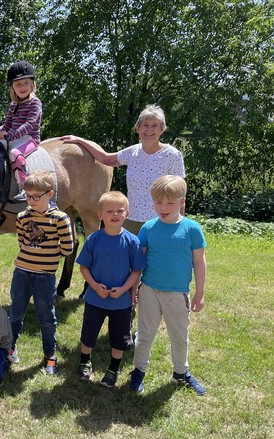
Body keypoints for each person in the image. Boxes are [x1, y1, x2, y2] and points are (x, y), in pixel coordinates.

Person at [128, 175, 207, 395]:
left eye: (170, 203)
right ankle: (138, 371)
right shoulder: (148, 228)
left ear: (182, 201)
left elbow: (199, 262)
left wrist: (200, 293)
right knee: (144, 334)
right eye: (158, 202)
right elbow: (138, 264)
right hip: (149, 291)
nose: (163, 207)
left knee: (179, 336)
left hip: (178, 293)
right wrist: (134, 290)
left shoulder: (192, 229)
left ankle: (181, 372)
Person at [60, 104, 185, 235]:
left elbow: (180, 193)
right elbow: (106, 159)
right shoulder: (132, 152)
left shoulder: (172, 155)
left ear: (162, 129)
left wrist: (179, 224)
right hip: (132, 220)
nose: (149, 129)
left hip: (162, 220)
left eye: (154, 125)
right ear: (138, 128)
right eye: (145, 125)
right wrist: (80, 141)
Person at [75, 191, 146, 387]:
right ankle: (84, 362)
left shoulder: (133, 241)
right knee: (88, 334)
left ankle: (113, 369)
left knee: (118, 339)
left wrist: (125, 289)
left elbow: (136, 271)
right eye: (109, 211)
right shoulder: (94, 239)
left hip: (121, 302)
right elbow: (84, 267)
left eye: (120, 210)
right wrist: (95, 286)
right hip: (95, 299)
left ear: (127, 213)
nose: (115, 214)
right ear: (100, 215)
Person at [8, 170, 74, 374]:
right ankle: (10, 347)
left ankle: (50, 355)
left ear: (50, 194)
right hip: (21, 273)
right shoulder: (22, 216)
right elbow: (22, 242)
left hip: (45, 276)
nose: (31, 200)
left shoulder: (60, 219)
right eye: (28, 195)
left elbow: (68, 248)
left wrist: (49, 257)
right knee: (15, 314)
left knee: (47, 317)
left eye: (37, 196)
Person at [0, 60, 42, 202]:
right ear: (12, 87)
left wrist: (11, 135)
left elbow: (29, 124)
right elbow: (6, 126)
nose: (22, 87)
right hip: (14, 138)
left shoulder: (35, 103)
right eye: (18, 84)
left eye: (26, 82)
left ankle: (24, 188)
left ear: (32, 84)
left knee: (15, 153)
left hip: (29, 139)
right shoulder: (13, 105)